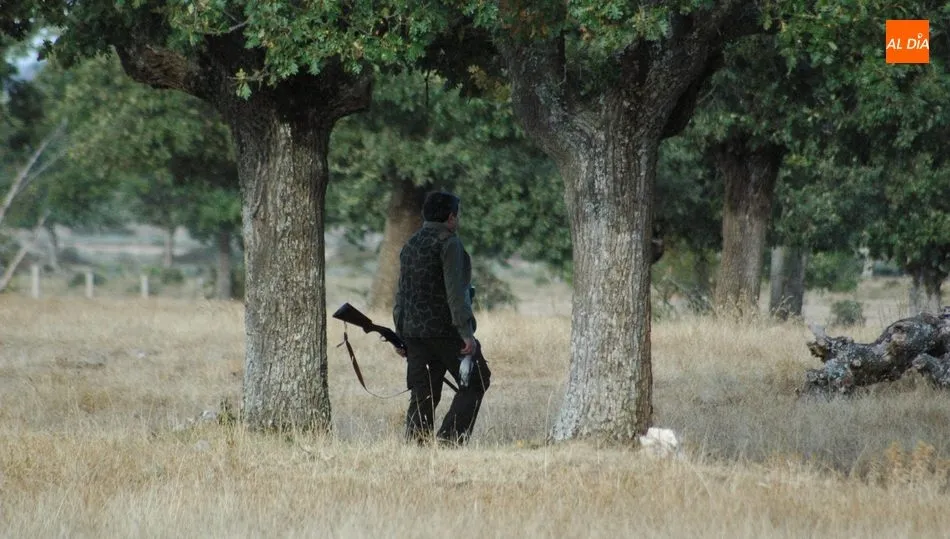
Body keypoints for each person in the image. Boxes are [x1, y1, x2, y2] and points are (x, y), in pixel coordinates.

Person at [393, 191, 491, 446]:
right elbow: (456, 293)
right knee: (478, 378)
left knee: (422, 392)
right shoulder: (449, 243)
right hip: (445, 331)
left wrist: (400, 335)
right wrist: (466, 333)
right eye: (456, 216)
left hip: (413, 333)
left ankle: (417, 446)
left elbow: (401, 292)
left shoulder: (410, 244)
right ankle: (449, 442)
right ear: (450, 217)